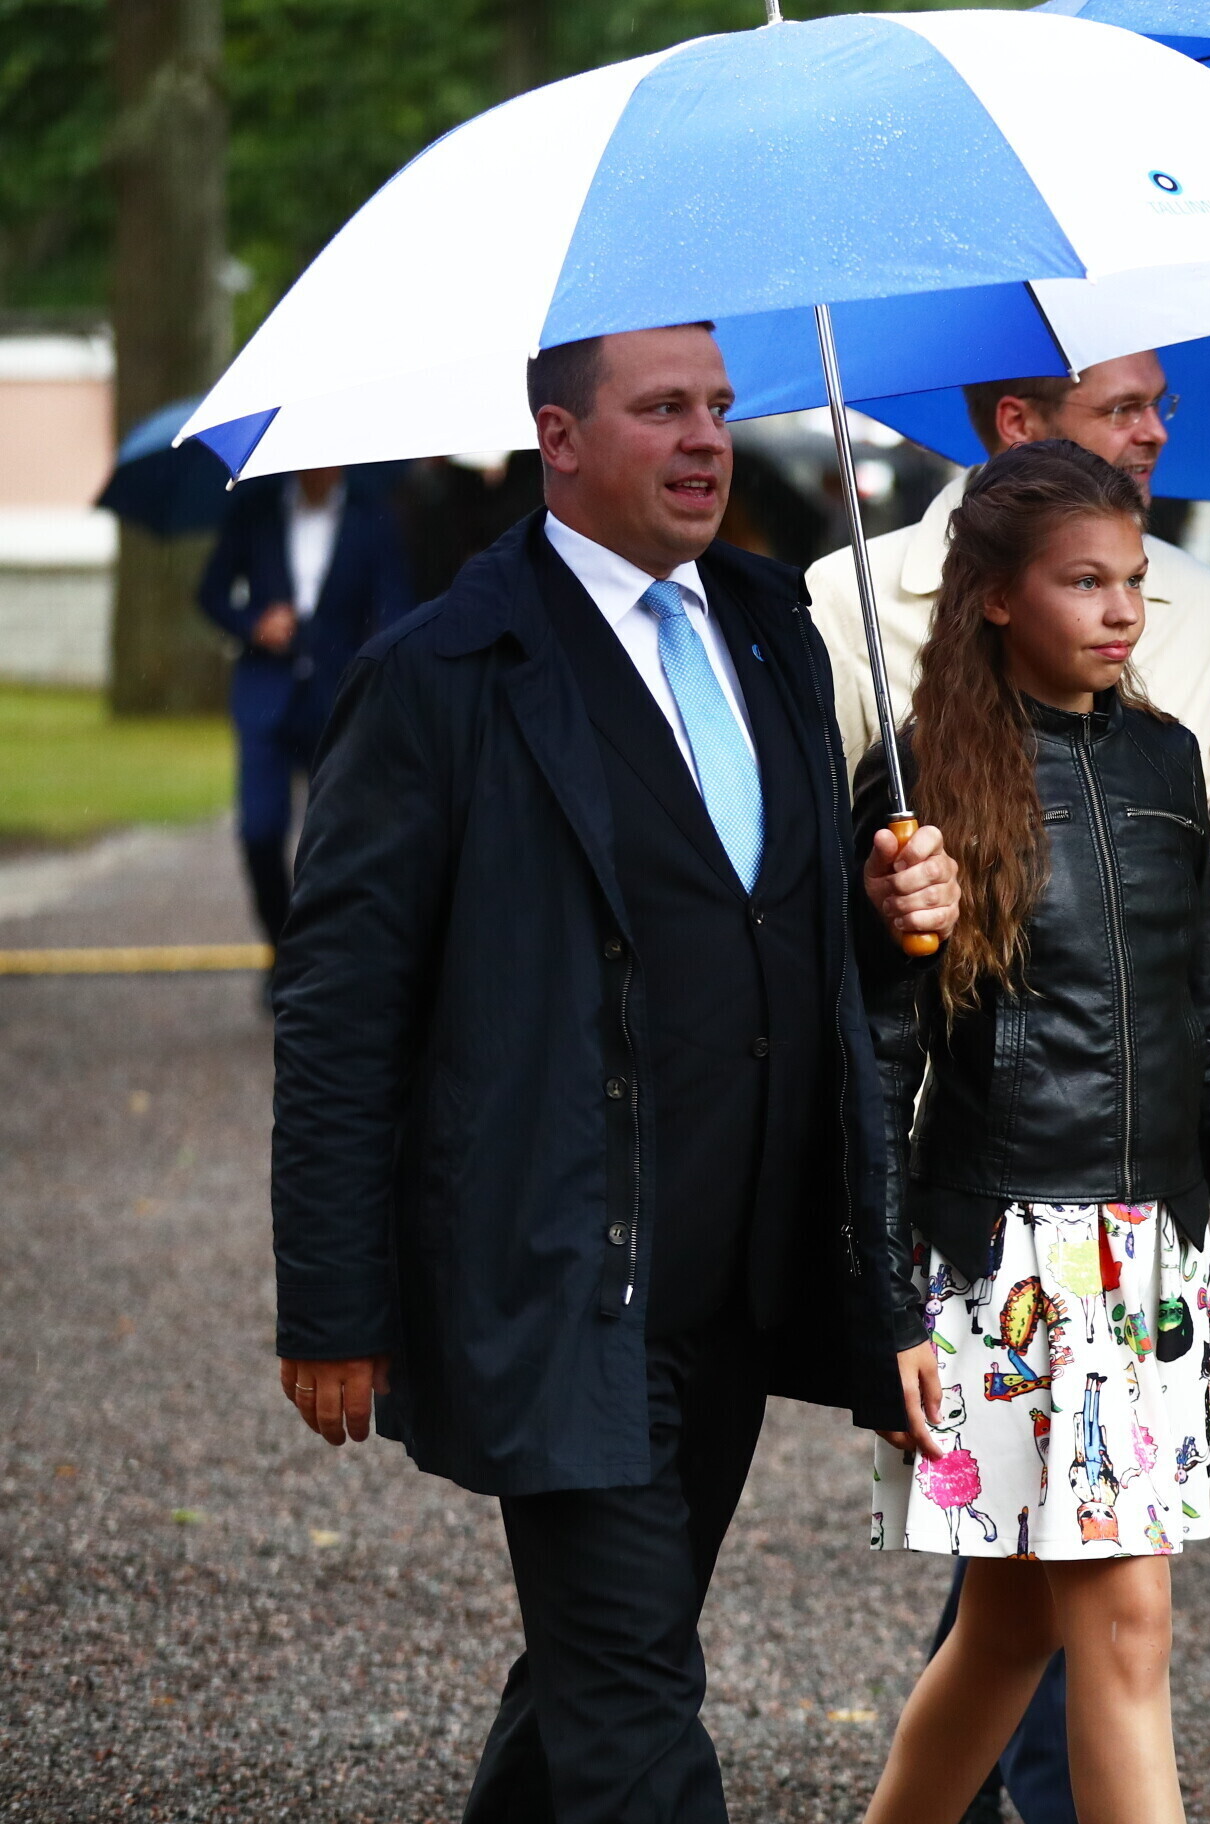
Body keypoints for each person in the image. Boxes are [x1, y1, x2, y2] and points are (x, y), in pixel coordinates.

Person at [268, 322, 961, 1824]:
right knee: (638, 1698)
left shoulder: (775, 629)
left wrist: (881, 904)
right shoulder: (441, 673)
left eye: (718, 406)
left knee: (603, 1658)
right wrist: (330, 1301)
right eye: (663, 409)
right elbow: (339, 1016)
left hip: (744, 1265)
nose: (708, 438)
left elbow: (776, 922)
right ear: (560, 438)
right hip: (564, 1268)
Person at [824, 352, 1210, 1824]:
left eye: (1132, 584)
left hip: (1153, 1252)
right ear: (994, 598)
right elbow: (880, 1064)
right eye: (1085, 583)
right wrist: (887, 1308)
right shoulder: (922, 786)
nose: (1122, 612)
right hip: (1009, 1257)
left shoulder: (1166, 762)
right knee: (1122, 1623)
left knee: (1013, 1628)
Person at [807, 350, 1210, 933]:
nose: (1156, 432)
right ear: (1018, 423)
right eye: (1122, 409)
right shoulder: (848, 593)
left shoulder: (1202, 599)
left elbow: (1201, 917)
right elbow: (822, 869)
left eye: (1157, 403)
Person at [196, 463, 413, 949]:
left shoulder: (371, 516)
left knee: (339, 841)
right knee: (258, 832)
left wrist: (372, 662)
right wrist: (254, 624)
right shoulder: (255, 509)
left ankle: (325, 960)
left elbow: (396, 606)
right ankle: (284, 950)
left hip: (340, 699)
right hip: (265, 697)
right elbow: (210, 593)